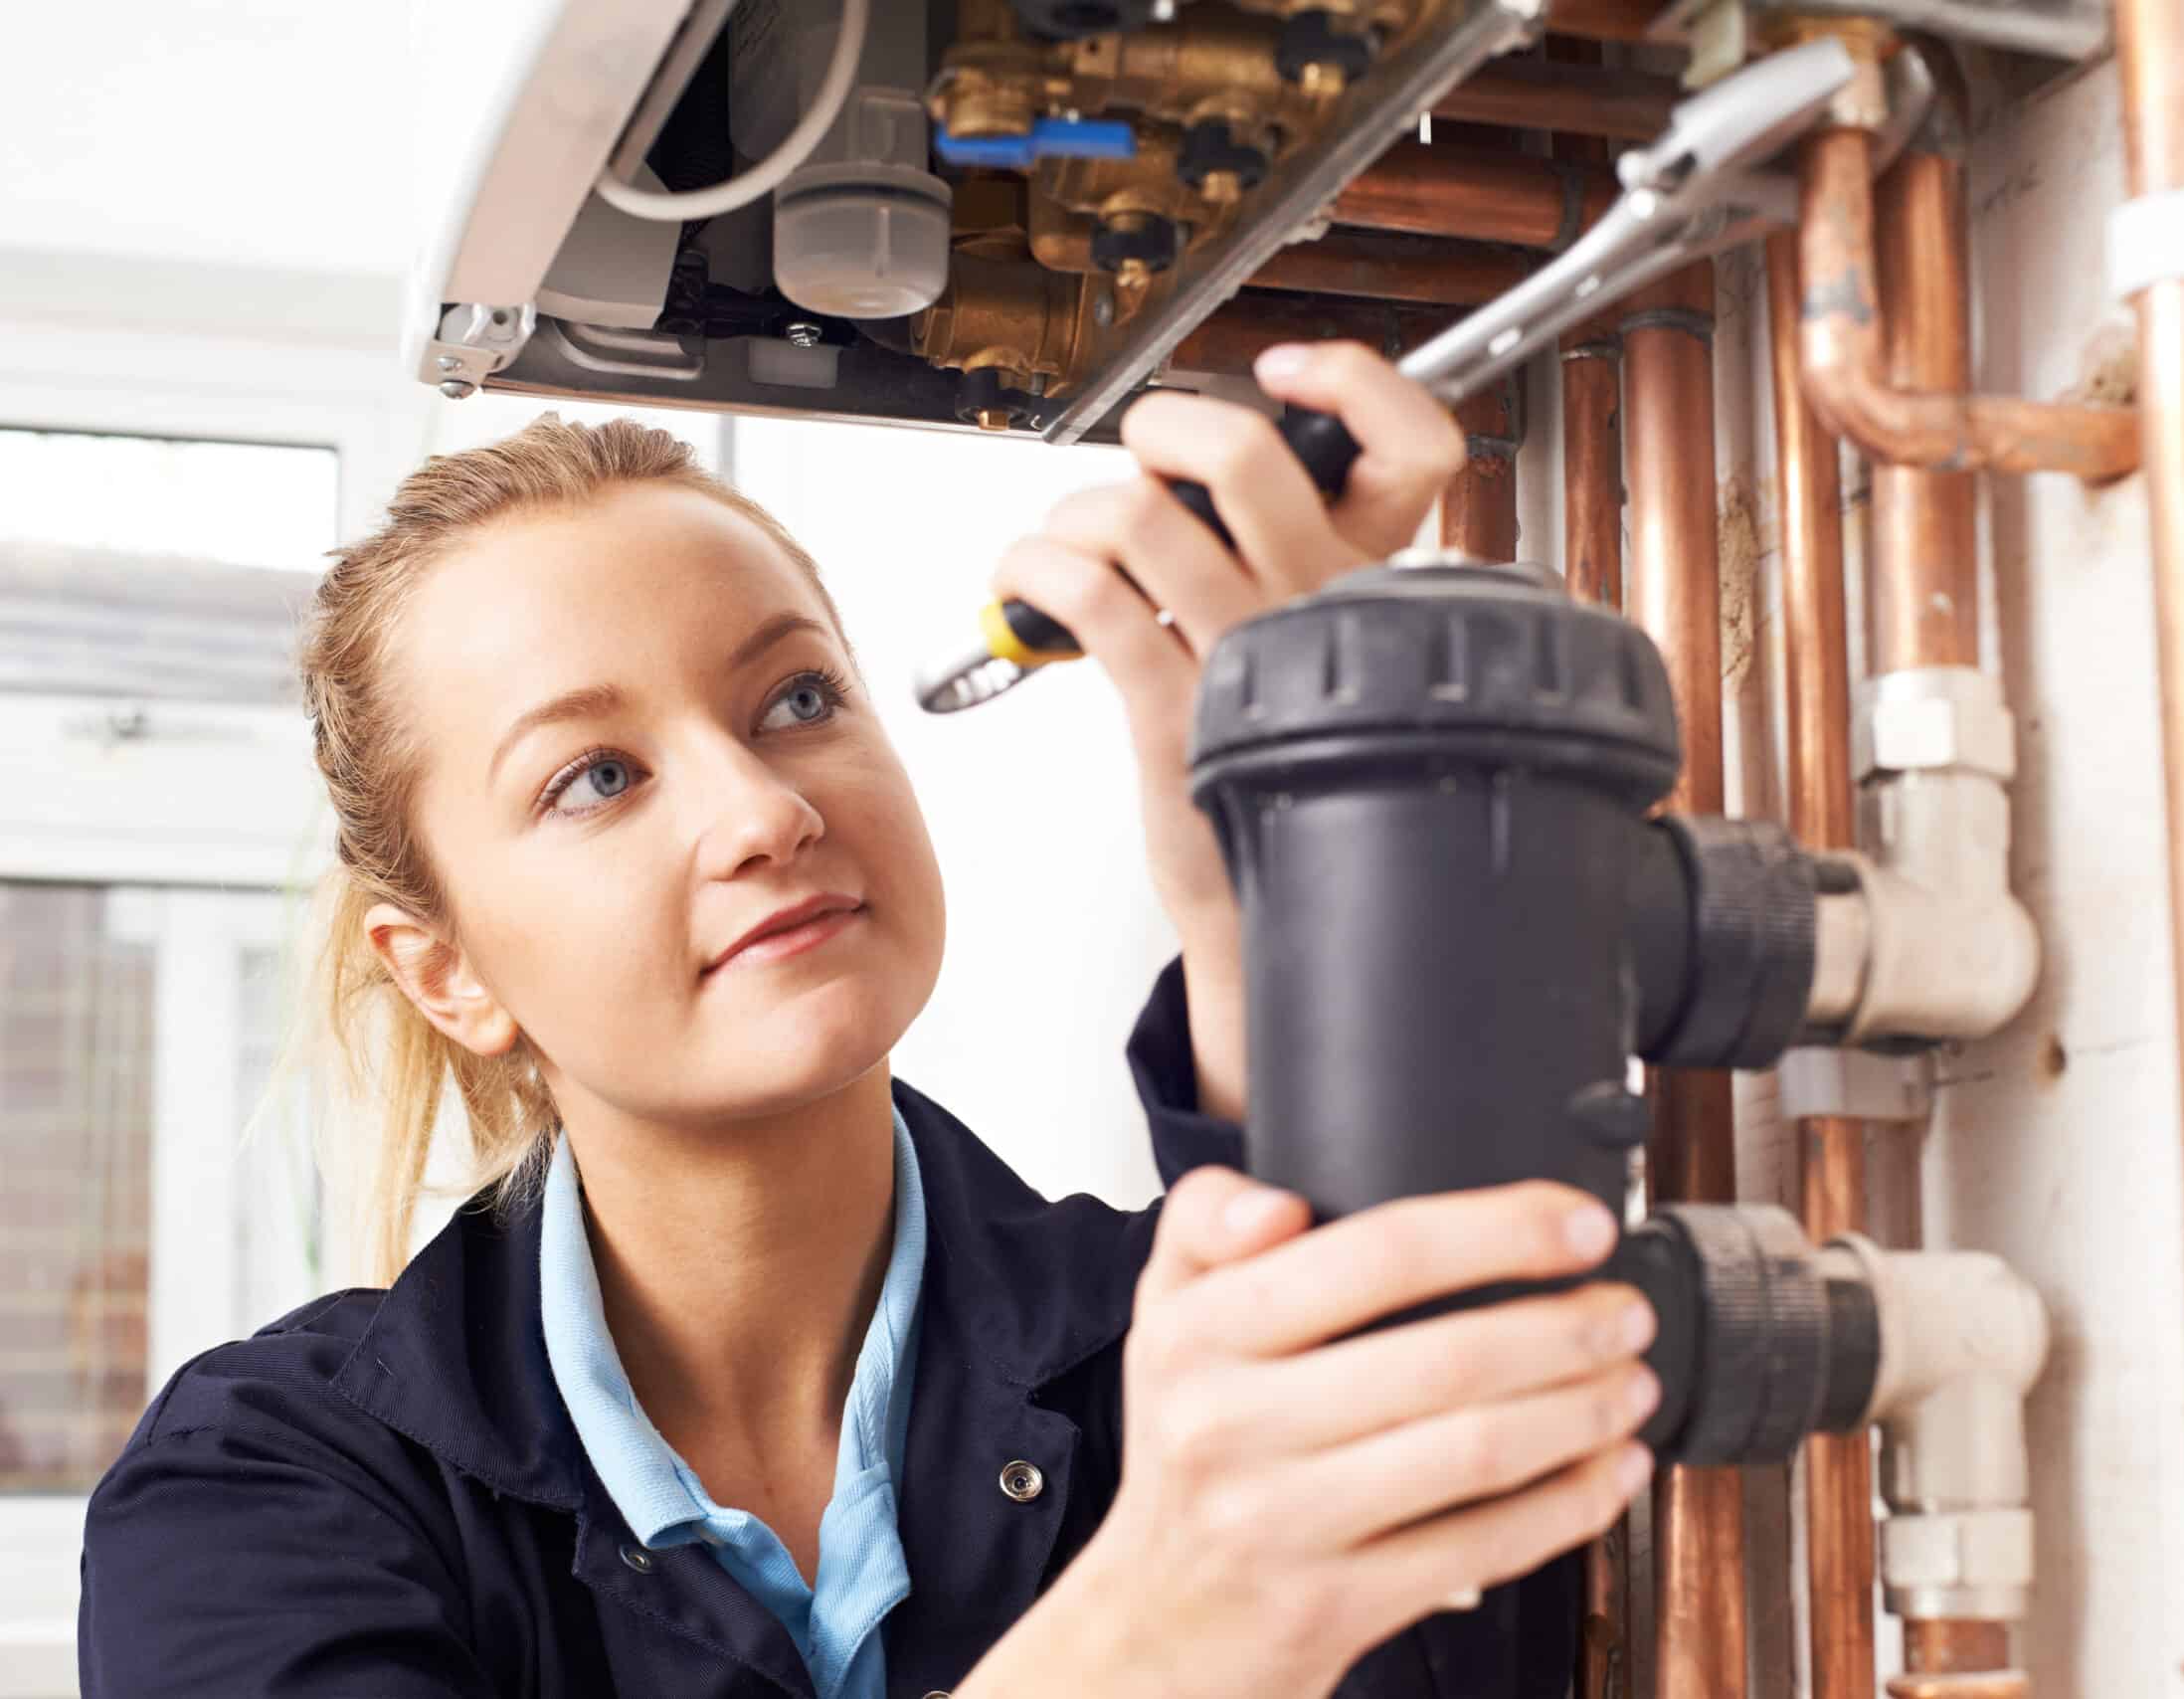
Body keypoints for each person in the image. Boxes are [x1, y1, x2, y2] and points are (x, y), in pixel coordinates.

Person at [76, 344, 1662, 1697]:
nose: (762, 807)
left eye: (796, 700)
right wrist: (1168, 1613)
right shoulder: (264, 1493)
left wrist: (1284, 887)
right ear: (446, 973)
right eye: (598, 778)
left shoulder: (1168, 1346)